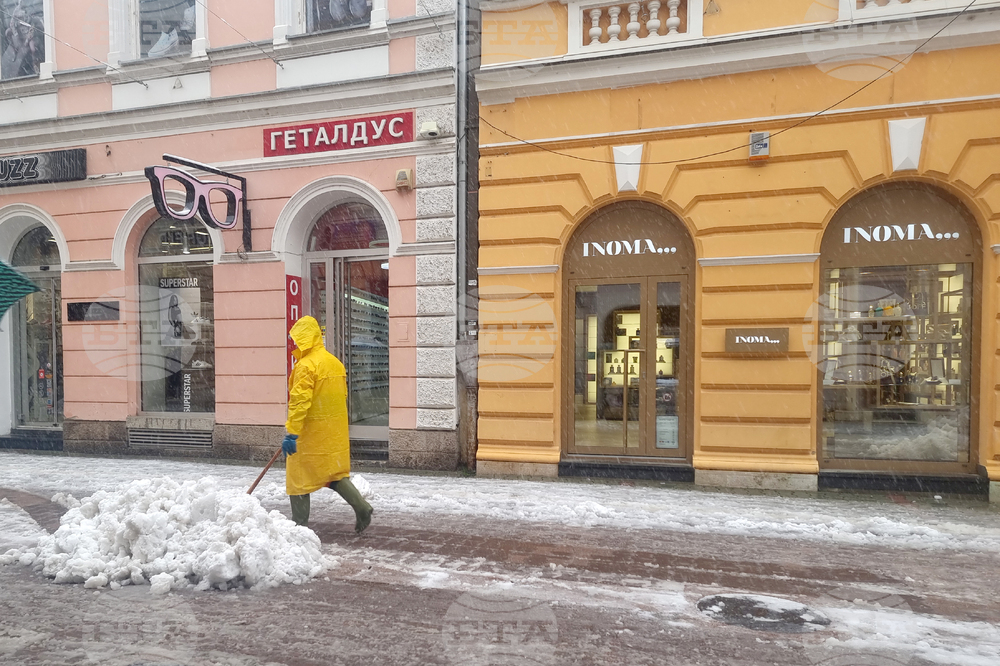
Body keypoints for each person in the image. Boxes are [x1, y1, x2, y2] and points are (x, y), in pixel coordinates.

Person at [283, 315, 373, 533]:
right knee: (334, 474)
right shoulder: (335, 363)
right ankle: (361, 507)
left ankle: (299, 528)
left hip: (310, 431)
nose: (295, 343)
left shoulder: (306, 366)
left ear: (306, 339)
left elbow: (300, 402)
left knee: (298, 477)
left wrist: (292, 433)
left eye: (297, 339)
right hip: (333, 432)